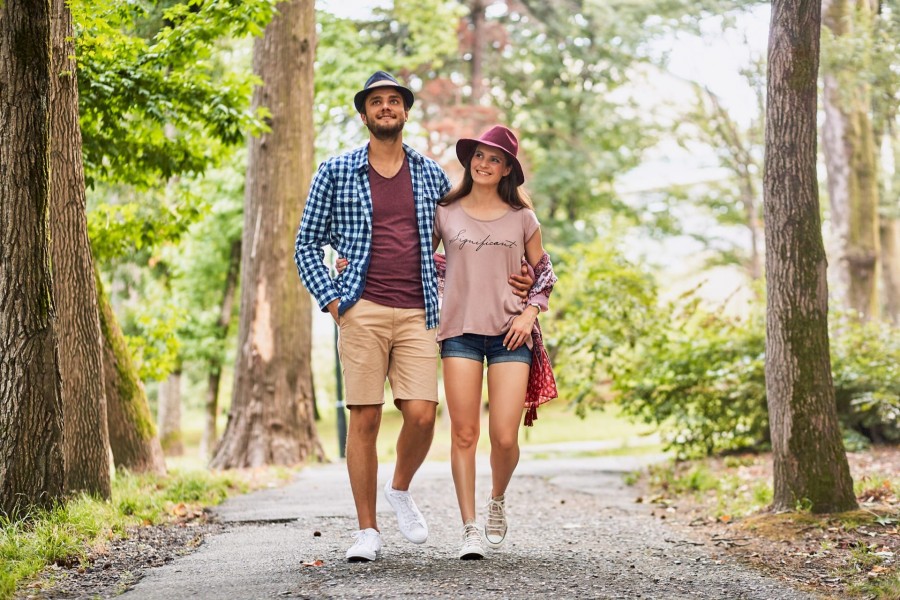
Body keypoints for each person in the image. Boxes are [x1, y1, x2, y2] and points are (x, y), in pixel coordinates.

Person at [294, 72, 532, 563]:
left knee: (423, 414)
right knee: (365, 416)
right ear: (364, 114)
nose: (386, 108)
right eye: (376, 102)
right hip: (361, 308)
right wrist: (335, 301)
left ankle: (399, 488)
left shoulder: (429, 175)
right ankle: (367, 531)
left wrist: (520, 279)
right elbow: (306, 244)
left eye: (394, 102)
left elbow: (461, 242)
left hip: (422, 309)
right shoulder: (335, 171)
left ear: (405, 112)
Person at [432, 125, 556, 560]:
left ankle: (497, 500)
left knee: (503, 436)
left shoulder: (523, 218)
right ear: (471, 161)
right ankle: (468, 529)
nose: (484, 164)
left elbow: (544, 275)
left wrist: (529, 311)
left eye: (494, 159)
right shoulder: (444, 211)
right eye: (479, 156)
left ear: (507, 169)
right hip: (460, 334)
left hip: (510, 334)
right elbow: (422, 262)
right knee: (464, 433)